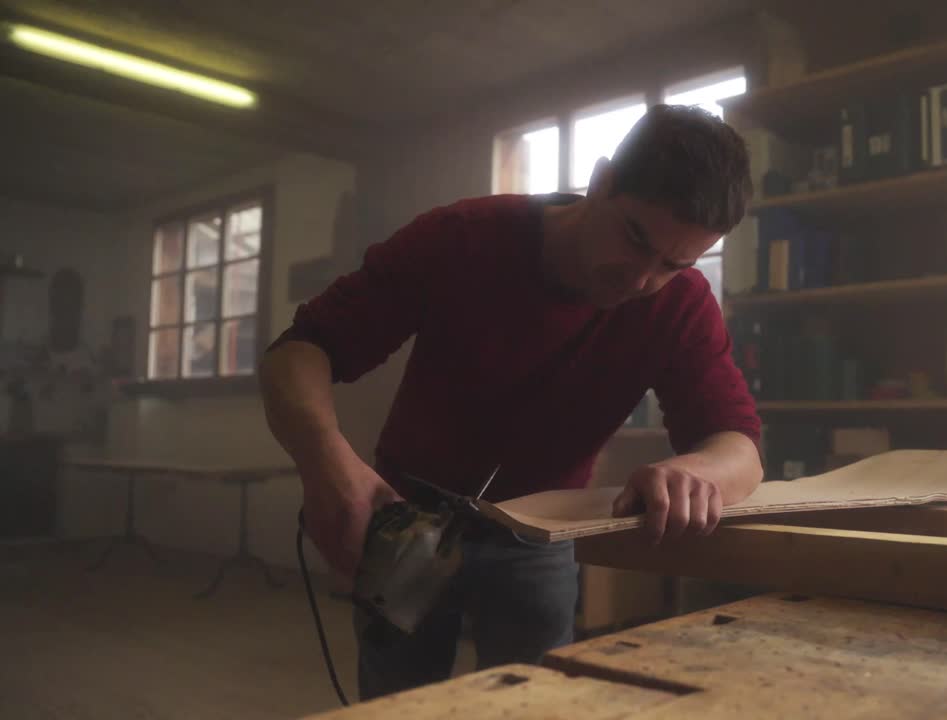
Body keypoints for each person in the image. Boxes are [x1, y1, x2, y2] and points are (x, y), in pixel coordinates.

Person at [258, 104, 763, 700]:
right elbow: (301, 350)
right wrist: (324, 461)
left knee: (530, 702)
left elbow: (739, 447)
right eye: (634, 237)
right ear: (600, 181)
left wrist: (697, 471)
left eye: (675, 265)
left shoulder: (682, 305)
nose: (640, 281)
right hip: (409, 515)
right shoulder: (462, 238)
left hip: (542, 534)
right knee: (397, 697)